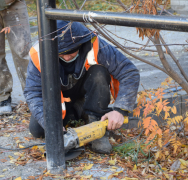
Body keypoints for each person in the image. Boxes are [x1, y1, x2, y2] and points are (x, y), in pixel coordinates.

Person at [24, 21, 140, 154]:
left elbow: (129, 71)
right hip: (58, 99)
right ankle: (73, 114)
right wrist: (50, 124)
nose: (67, 57)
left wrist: (120, 110)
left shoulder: (94, 43)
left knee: (99, 73)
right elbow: (33, 92)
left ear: (80, 44)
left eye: (72, 52)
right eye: (62, 54)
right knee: (37, 130)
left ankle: (95, 122)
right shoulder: (39, 53)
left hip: (85, 94)